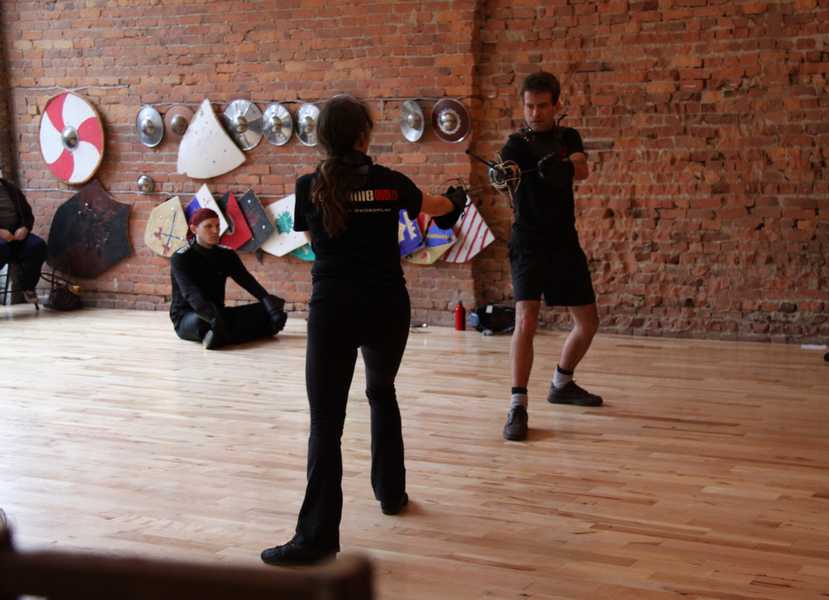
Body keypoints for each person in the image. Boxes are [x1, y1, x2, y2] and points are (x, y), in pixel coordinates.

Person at [260, 95, 465, 566]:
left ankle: (316, 539)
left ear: (322, 138)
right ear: (363, 136)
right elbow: (437, 207)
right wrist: (457, 199)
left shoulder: (309, 187)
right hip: (386, 305)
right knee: (381, 392)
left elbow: (313, 242)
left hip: (333, 309)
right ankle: (391, 493)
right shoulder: (390, 183)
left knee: (325, 423)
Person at [499, 71, 602, 443]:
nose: (535, 113)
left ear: (556, 105)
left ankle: (561, 383)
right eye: (529, 106)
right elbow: (506, 173)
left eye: (542, 106)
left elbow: (582, 168)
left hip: (563, 242)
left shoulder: (567, 137)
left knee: (588, 323)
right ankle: (518, 406)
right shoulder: (515, 144)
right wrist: (502, 175)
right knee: (526, 318)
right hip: (528, 241)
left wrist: (564, 167)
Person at [169, 208, 288, 349]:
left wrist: (269, 304)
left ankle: (218, 336)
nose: (215, 231)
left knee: (271, 308)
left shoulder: (226, 254)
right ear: (194, 229)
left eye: (217, 225)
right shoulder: (181, 257)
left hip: (220, 313)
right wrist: (213, 318)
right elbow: (191, 294)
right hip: (189, 316)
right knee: (202, 323)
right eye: (208, 226)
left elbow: (247, 281)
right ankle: (229, 332)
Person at [0, 176, 47, 303]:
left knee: (37, 246)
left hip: (16, 235)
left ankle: (28, 287)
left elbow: (27, 213)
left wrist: (25, 227)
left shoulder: (11, 188)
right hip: (1, 238)